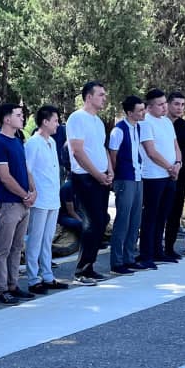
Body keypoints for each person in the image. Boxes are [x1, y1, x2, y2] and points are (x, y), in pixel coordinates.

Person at [0, 103, 36, 304]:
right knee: (3, 249)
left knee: (17, 248)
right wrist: (25, 195)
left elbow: (25, 168)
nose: (22, 118)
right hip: (9, 204)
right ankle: (1, 290)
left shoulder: (17, 141)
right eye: (18, 115)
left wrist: (33, 190)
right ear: (7, 119)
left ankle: (13, 285)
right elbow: (5, 177)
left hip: (23, 203)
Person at [67, 82, 112, 284]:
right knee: (92, 223)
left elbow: (102, 148)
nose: (104, 98)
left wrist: (109, 170)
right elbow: (77, 151)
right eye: (100, 94)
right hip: (85, 177)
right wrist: (97, 174)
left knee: (101, 221)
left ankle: (90, 267)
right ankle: (81, 271)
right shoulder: (77, 118)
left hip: (101, 176)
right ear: (88, 97)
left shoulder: (98, 121)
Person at [24, 106, 69, 293]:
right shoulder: (33, 143)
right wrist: (33, 191)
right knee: (35, 239)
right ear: (45, 121)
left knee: (47, 239)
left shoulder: (51, 141)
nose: (58, 124)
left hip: (52, 197)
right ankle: (33, 279)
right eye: (55, 120)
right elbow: (27, 170)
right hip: (40, 199)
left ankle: (48, 276)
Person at [139, 89, 182, 267]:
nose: (164, 107)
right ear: (149, 107)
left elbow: (176, 146)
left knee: (163, 215)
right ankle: (146, 254)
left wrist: (178, 163)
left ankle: (159, 251)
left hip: (169, 175)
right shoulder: (145, 123)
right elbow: (151, 151)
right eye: (160, 104)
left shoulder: (167, 122)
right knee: (151, 216)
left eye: (165, 103)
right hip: (153, 176)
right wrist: (169, 167)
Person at [107, 96, 144, 275]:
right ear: (129, 112)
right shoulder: (118, 130)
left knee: (135, 219)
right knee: (123, 220)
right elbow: (113, 155)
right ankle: (117, 261)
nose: (143, 113)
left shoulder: (137, 127)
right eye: (140, 110)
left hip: (137, 177)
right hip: (125, 178)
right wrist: (116, 176)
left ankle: (129, 257)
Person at [164, 91, 185, 258]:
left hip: (181, 174)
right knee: (159, 211)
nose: (180, 108)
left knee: (175, 212)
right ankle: (152, 248)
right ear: (168, 104)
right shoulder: (159, 123)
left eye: (182, 105)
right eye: (176, 104)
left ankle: (169, 247)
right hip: (161, 173)